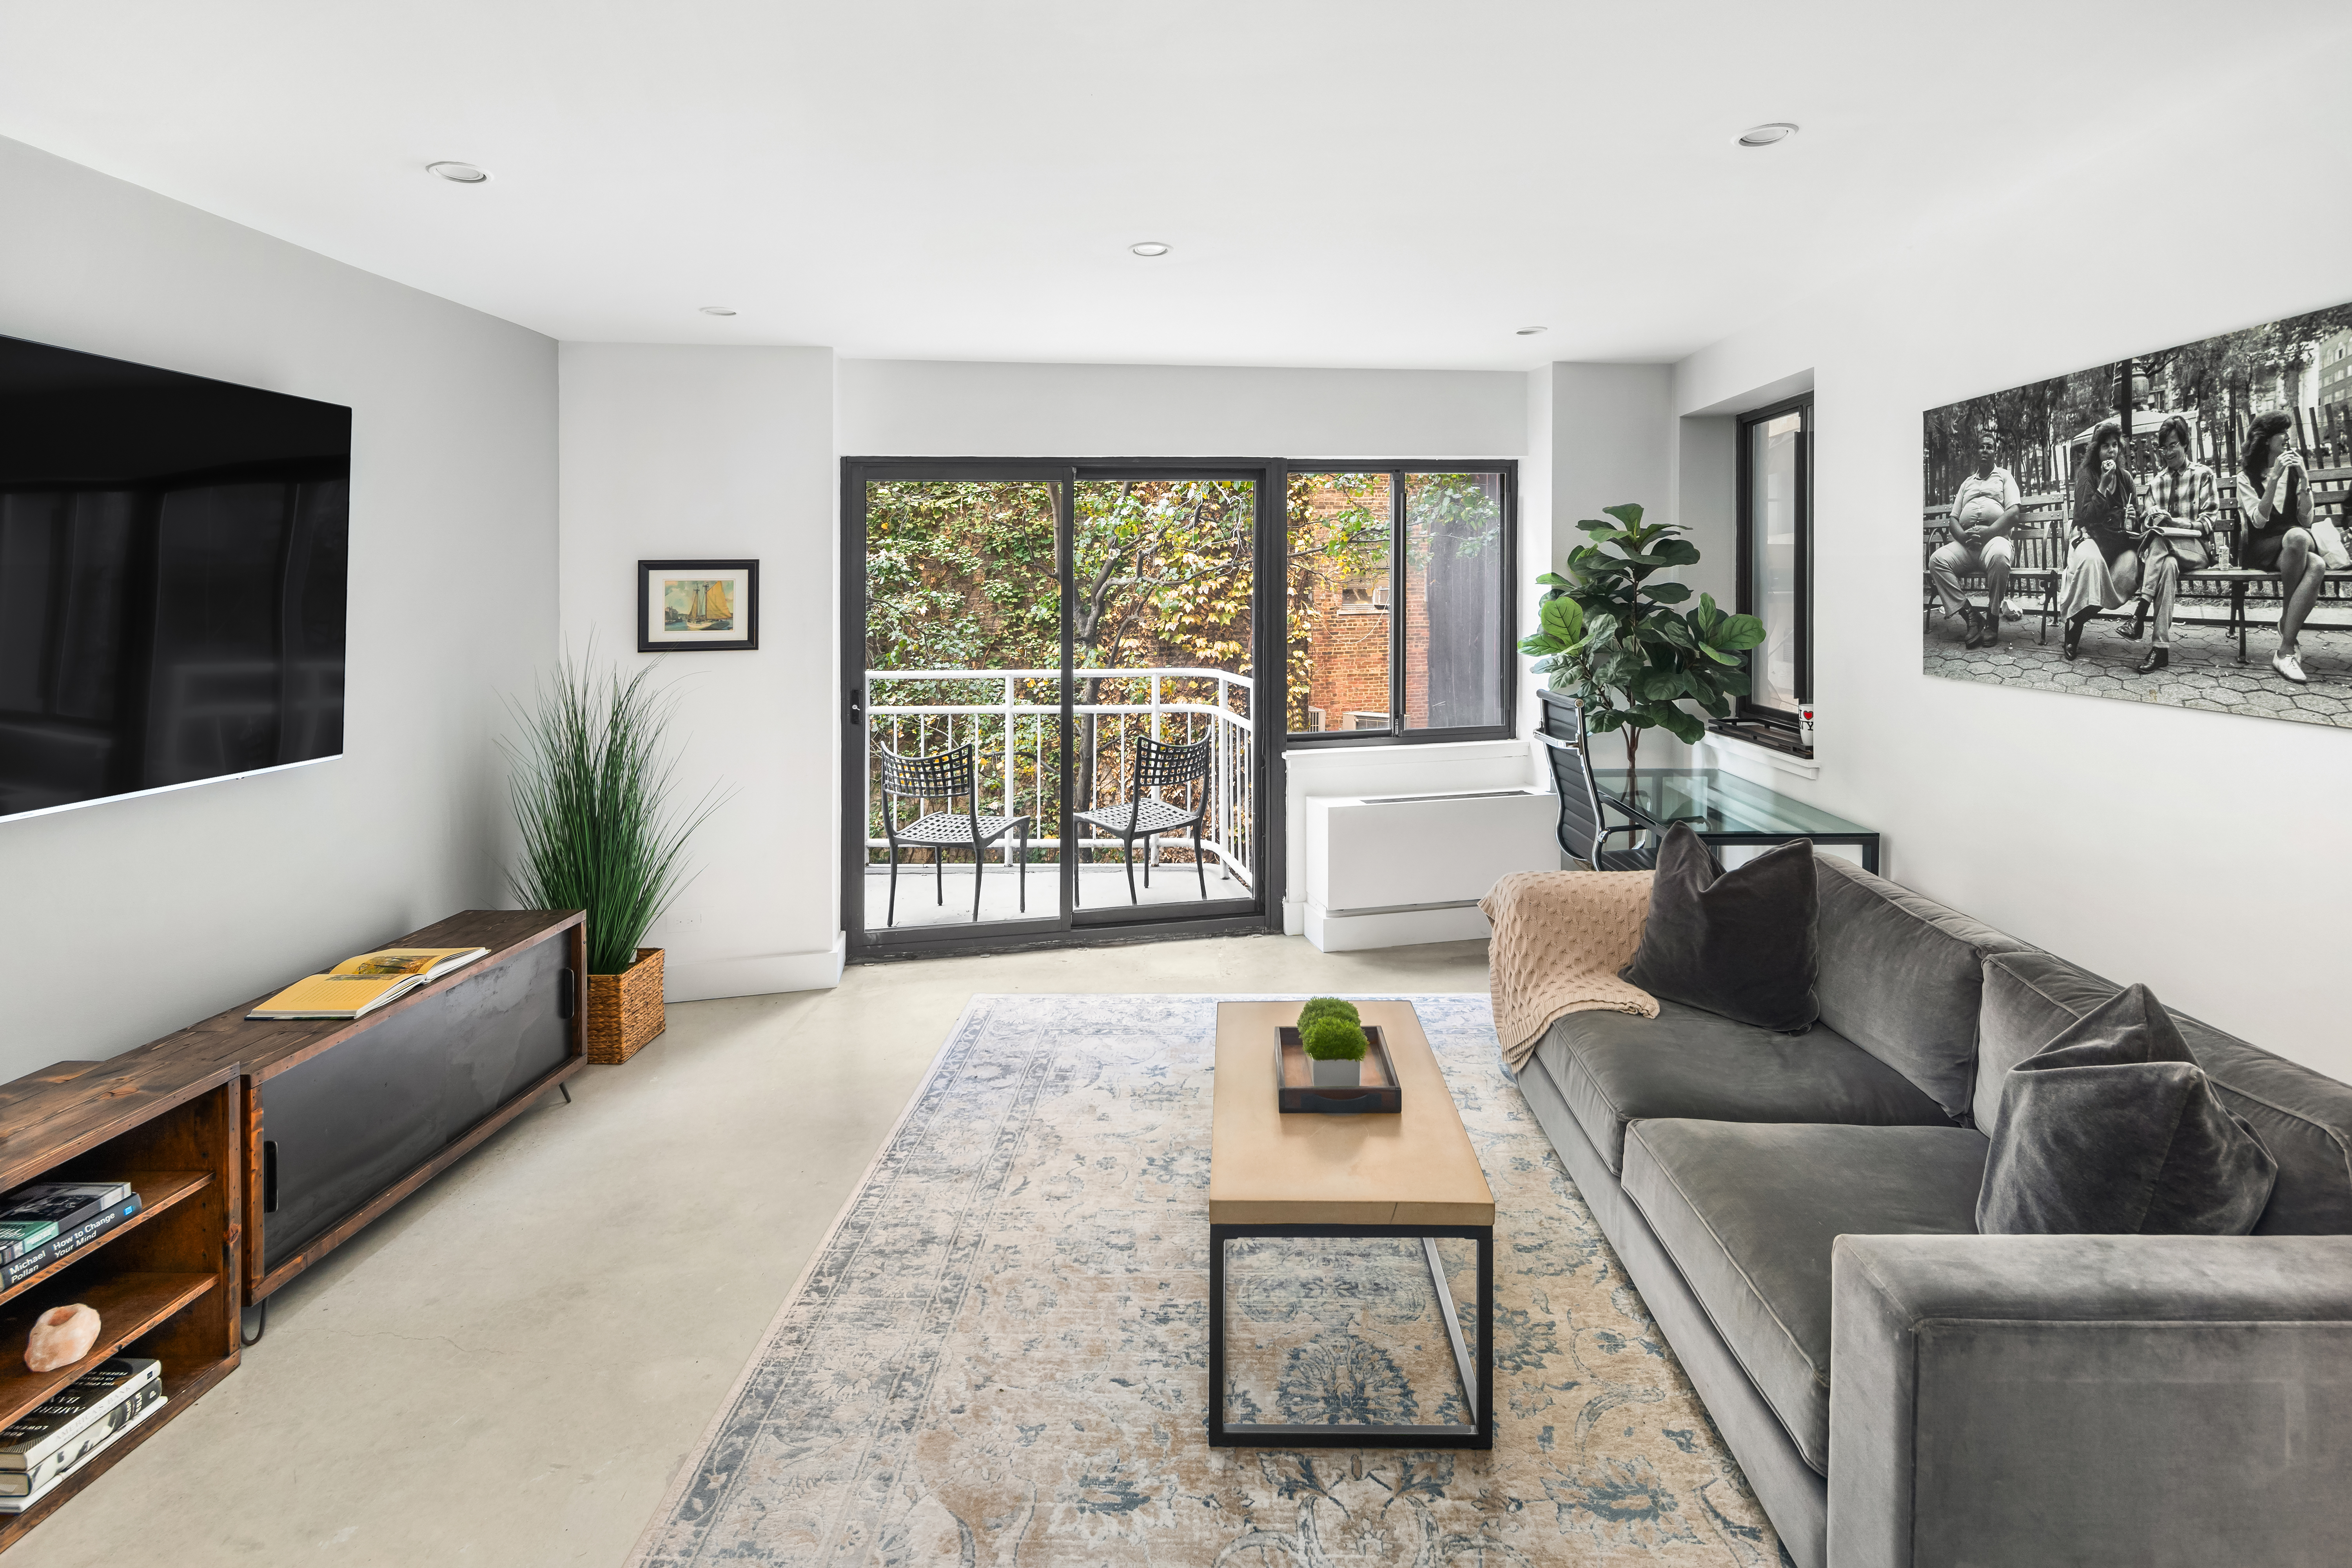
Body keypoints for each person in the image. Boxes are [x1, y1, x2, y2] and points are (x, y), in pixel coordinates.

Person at [2114, 415, 2217, 674]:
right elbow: (2146, 524)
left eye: (2173, 445)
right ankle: (2160, 650)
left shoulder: (2204, 475)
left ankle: (2140, 612)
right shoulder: (2157, 482)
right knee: (2168, 566)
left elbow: (2208, 523)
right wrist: (2146, 519)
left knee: (2163, 539)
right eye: (2164, 447)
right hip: (2166, 555)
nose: (2168, 452)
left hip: (2197, 550)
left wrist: (2177, 524)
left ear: (2185, 445)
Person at [2235, 410, 2327, 684]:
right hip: (2264, 545)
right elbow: (2260, 522)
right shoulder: (2246, 477)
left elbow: (2307, 519)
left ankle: (2285, 648)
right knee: (2299, 538)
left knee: (2317, 562)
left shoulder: (2295, 473)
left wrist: (2306, 480)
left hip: (2293, 547)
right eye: (2282, 433)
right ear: (2266, 440)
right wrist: (2273, 478)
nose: (2287, 438)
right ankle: (2288, 623)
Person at [1927, 425, 2022, 648]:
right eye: (1981, 447)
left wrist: (1988, 532)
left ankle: (1992, 620)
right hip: (1967, 545)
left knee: (2000, 556)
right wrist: (1963, 537)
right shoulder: (1967, 484)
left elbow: (2014, 513)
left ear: (1995, 453)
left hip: (1994, 540)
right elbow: (1954, 519)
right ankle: (1971, 616)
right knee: (1937, 561)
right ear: (1976, 452)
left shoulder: (2005, 477)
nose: (1985, 451)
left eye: (1989, 447)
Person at [2058, 419, 2142, 659]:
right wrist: (2103, 486)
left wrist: (2134, 516)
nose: (2112, 451)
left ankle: (2077, 620)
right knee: (2092, 562)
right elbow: (2084, 517)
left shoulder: (2126, 478)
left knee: (2133, 566)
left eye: (2116, 445)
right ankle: (2075, 632)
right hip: (2089, 537)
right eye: (2106, 446)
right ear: (2097, 449)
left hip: (2118, 542)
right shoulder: (2088, 474)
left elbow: (2135, 518)